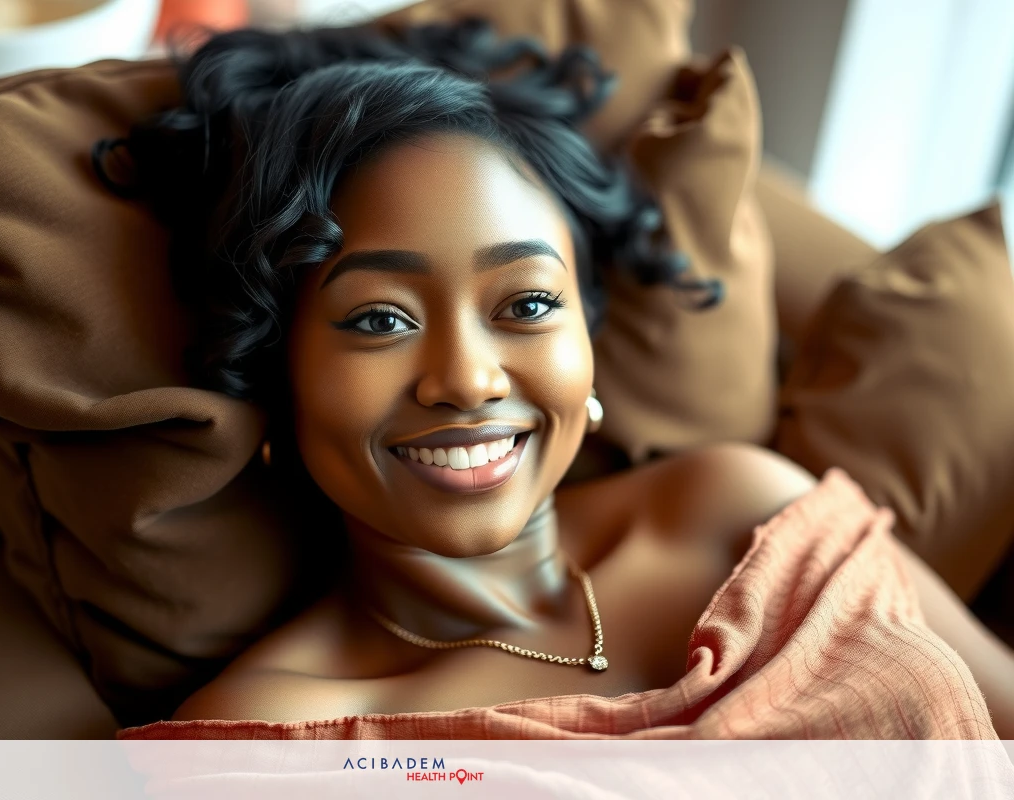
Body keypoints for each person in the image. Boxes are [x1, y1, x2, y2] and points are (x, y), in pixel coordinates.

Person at [95, 20, 1014, 736]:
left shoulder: (747, 509)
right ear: (274, 382)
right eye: (381, 319)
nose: (467, 379)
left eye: (527, 305)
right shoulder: (275, 739)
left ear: (588, 345)